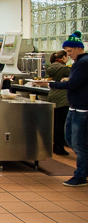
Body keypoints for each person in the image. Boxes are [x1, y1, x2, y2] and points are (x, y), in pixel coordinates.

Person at [49, 31, 88, 187]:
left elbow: (73, 85)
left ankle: (80, 175)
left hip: (83, 109)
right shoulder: (79, 63)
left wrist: (51, 84)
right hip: (75, 106)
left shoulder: (83, 63)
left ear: (79, 48)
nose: (69, 54)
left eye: (70, 51)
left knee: (78, 142)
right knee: (70, 138)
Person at [46, 50, 71, 156]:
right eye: (67, 56)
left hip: (52, 96)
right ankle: (59, 147)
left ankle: (54, 146)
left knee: (55, 123)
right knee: (61, 124)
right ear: (63, 58)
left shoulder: (50, 67)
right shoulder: (65, 69)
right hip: (63, 98)